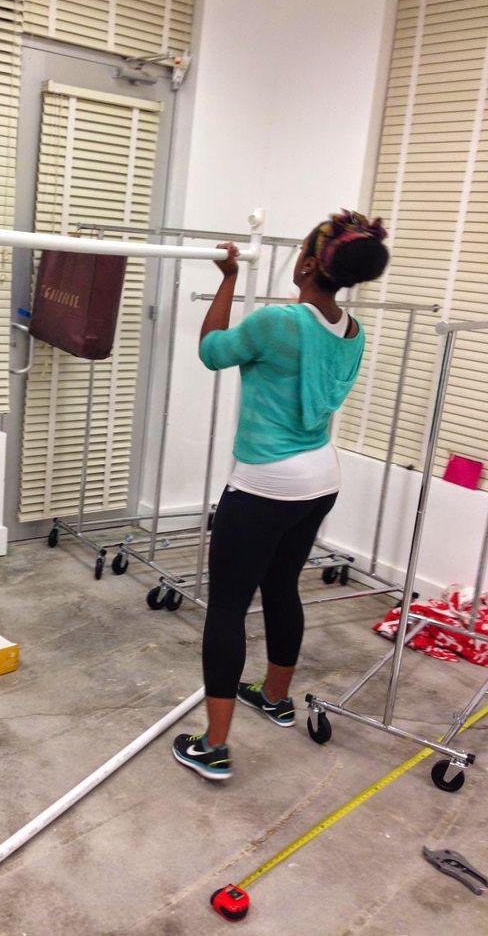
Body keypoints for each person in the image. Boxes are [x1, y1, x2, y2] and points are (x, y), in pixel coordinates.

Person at [173, 210, 390, 781]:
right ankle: (274, 695)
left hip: (266, 482)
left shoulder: (280, 323)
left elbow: (213, 351)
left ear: (310, 263)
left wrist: (227, 279)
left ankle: (214, 747)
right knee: (281, 586)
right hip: (320, 480)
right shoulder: (351, 330)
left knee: (225, 608)